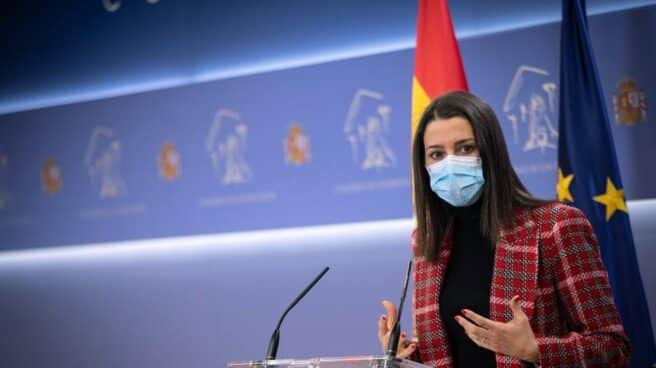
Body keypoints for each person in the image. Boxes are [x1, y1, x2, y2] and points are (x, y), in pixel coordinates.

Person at [377, 91, 630, 367]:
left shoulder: (556, 226)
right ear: (423, 165)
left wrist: (535, 350)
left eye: (465, 148)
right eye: (436, 154)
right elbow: (452, 353)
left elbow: (612, 347)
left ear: (490, 151)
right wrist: (404, 358)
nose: (450, 163)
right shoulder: (427, 243)